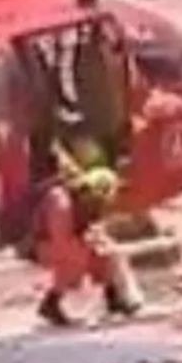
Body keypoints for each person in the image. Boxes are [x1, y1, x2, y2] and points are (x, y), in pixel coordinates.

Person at [33, 131, 136, 325]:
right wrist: (85, 243)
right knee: (75, 257)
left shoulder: (86, 206)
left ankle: (113, 298)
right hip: (42, 246)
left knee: (104, 251)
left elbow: (88, 230)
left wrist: (97, 241)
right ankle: (51, 303)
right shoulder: (61, 203)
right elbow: (61, 238)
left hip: (67, 241)